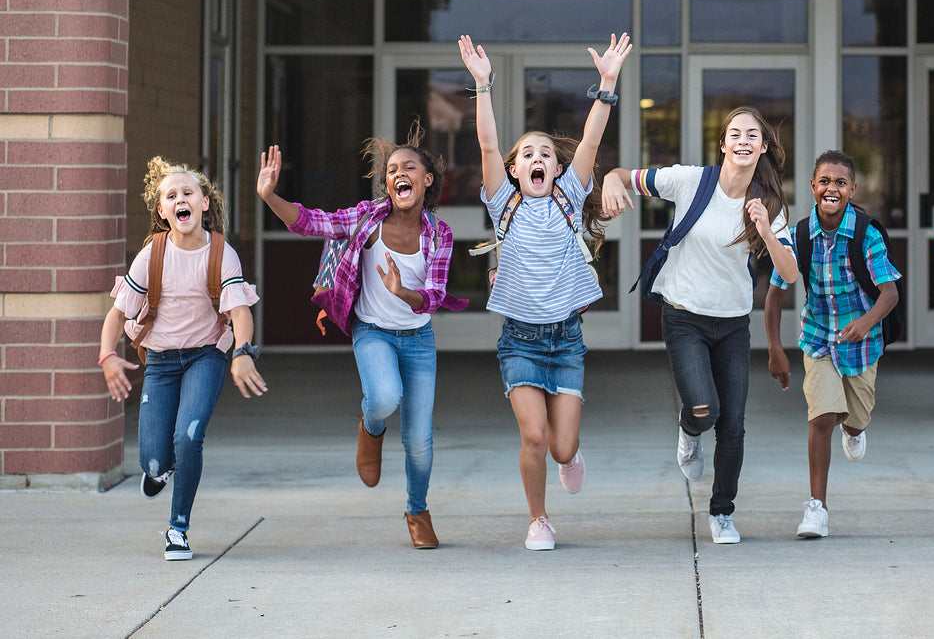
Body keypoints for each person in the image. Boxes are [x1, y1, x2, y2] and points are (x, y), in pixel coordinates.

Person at [459, 31, 630, 551]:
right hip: (520, 342)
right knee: (533, 437)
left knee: (561, 448)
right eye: (527, 155)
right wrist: (482, 86)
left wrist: (607, 85)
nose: (537, 159)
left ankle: (570, 458)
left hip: (566, 342)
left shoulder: (568, 198)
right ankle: (539, 520)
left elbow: (593, 141)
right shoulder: (503, 205)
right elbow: (488, 142)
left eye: (546, 155)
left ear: (557, 169)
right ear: (514, 171)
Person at [256, 129, 465, 549]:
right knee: (384, 398)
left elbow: (435, 298)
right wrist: (269, 197)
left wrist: (402, 291)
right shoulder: (367, 219)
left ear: (427, 180)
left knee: (420, 442)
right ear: (387, 183)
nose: (399, 174)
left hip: (418, 340)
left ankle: (417, 510)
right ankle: (370, 427)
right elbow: (314, 223)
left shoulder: (439, 235)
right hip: (372, 333)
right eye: (392, 170)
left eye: (410, 167)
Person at [601, 107, 799, 545]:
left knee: (733, 426)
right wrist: (612, 181)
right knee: (704, 411)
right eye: (735, 134)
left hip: (732, 324)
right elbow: (623, 175)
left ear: (763, 146)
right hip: (684, 316)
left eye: (753, 135)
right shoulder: (692, 181)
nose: (743, 141)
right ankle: (689, 430)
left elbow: (790, 272)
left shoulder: (766, 204)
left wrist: (766, 232)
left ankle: (722, 513)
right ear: (724, 144)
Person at [99, 157, 267, 562]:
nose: (180, 199)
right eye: (171, 195)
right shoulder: (151, 256)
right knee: (153, 458)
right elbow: (118, 314)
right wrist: (107, 356)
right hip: (160, 362)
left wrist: (242, 352)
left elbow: (240, 312)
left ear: (205, 203)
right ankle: (160, 469)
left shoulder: (222, 253)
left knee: (189, 437)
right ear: (162, 211)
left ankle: (178, 528)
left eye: (188, 192)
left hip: (206, 356)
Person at [763, 150, 901, 539]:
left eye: (840, 183)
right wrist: (775, 349)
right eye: (825, 181)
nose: (832, 188)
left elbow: (889, 294)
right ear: (812, 186)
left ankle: (855, 431)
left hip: (862, 341)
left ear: (852, 189)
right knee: (822, 417)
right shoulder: (798, 235)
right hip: (819, 337)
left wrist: (865, 322)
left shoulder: (866, 233)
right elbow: (775, 295)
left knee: (855, 418)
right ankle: (817, 508)